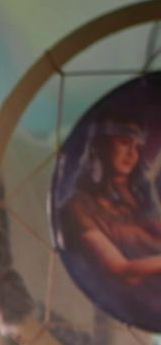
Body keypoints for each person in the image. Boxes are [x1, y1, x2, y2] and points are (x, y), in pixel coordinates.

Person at [57, 115, 161, 280]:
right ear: (101, 145)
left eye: (137, 147)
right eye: (124, 142)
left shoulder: (140, 200)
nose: (132, 153)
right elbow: (122, 270)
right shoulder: (78, 206)